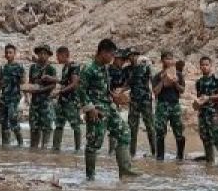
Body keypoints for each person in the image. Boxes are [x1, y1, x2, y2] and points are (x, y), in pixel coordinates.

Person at [80, 38, 138, 179]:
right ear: (103, 52)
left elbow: (104, 89)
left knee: (124, 132)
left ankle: (125, 172)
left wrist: (115, 97)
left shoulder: (104, 68)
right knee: (94, 143)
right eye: (111, 54)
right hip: (96, 110)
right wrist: (90, 108)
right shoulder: (89, 68)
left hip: (109, 107)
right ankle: (90, 178)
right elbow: (80, 90)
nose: (113, 58)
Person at [152, 50, 186, 160]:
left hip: (174, 105)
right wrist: (162, 81)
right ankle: (160, 158)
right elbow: (155, 92)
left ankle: (180, 156)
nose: (170, 61)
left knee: (179, 131)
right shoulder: (157, 76)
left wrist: (175, 82)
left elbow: (182, 90)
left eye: (171, 58)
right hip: (162, 105)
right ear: (162, 60)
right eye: (167, 58)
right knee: (160, 132)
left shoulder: (178, 74)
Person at [0, 44, 26, 146]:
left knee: (13, 119)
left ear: (14, 54)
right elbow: (0, 83)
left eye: (10, 52)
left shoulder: (19, 67)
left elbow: (23, 83)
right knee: (3, 121)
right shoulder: (3, 68)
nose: (8, 54)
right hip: (4, 98)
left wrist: (27, 97)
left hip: (14, 98)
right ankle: (5, 145)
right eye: (6, 52)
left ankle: (20, 143)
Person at [53, 46, 83, 151]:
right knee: (59, 124)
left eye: (58, 56)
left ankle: (78, 149)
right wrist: (53, 79)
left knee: (75, 126)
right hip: (62, 101)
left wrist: (59, 92)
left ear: (64, 55)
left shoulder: (74, 66)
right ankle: (55, 148)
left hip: (71, 102)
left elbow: (74, 84)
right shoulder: (65, 67)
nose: (57, 59)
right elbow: (65, 82)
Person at [27, 45, 58, 149]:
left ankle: (44, 149)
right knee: (34, 127)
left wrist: (41, 90)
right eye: (40, 53)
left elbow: (54, 85)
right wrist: (29, 88)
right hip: (35, 102)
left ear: (48, 55)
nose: (42, 55)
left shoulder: (51, 69)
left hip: (46, 102)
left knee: (47, 127)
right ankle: (34, 150)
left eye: (45, 53)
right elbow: (30, 82)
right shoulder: (33, 67)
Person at [126, 52, 156, 157]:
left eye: (135, 55)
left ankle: (155, 152)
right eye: (130, 56)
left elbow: (153, 79)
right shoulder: (128, 69)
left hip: (145, 100)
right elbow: (127, 84)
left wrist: (156, 93)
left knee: (150, 127)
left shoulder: (145, 66)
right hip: (134, 101)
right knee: (132, 128)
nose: (133, 58)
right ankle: (131, 153)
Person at [194, 56, 218, 163]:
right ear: (200, 66)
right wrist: (197, 104)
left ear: (211, 66)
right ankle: (210, 164)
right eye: (202, 65)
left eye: (206, 65)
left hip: (214, 114)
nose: (204, 67)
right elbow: (200, 98)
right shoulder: (199, 82)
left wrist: (209, 98)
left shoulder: (217, 80)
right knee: (206, 140)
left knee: (217, 139)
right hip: (203, 114)